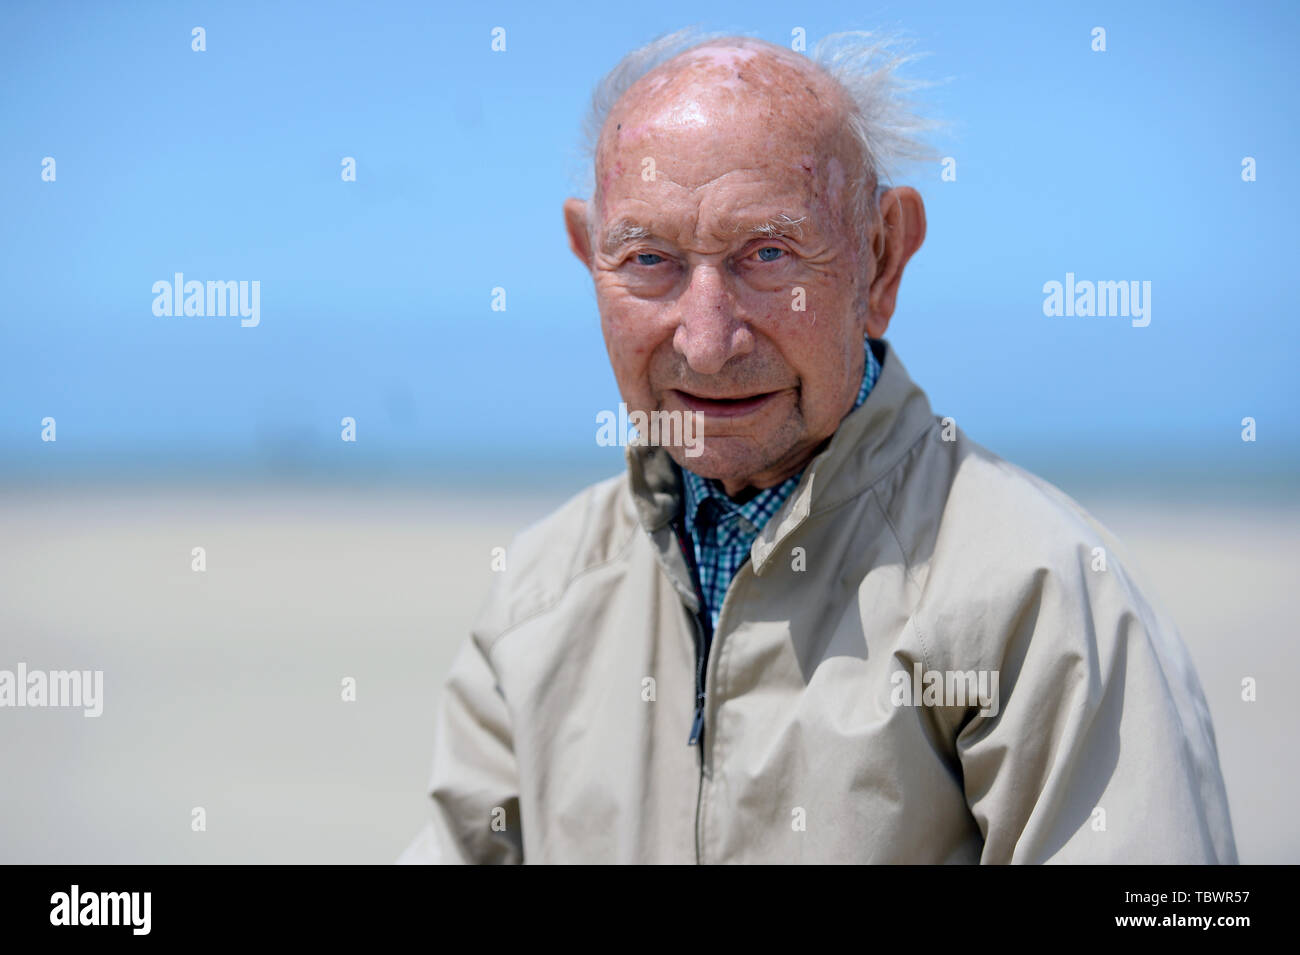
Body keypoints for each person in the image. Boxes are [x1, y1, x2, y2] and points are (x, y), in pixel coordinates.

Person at [399, 28, 1236, 864]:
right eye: (649, 258)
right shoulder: (541, 600)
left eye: (767, 253)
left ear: (881, 259)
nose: (706, 340)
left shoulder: (1034, 596)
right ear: (591, 259)